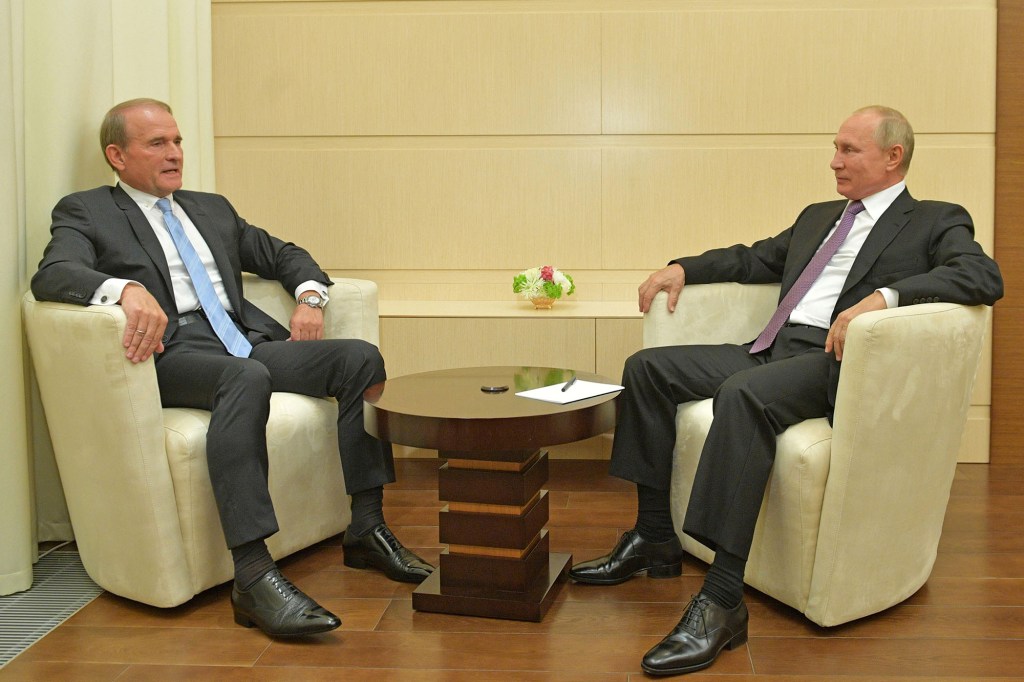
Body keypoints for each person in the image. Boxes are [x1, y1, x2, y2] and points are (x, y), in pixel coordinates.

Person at [568, 106, 1003, 676]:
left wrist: (886, 298)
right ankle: (654, 537)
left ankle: (722, 600)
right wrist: (684, 268)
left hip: (836, 361)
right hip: (772, 347)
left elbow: (982, 276)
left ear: (893, 157)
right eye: (836, 147)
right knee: (646, 368)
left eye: (849, 150)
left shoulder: (935, 220)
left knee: (744, 395)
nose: (834, 160)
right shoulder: (821, 216)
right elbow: (755, 258)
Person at [31, 98, 434, 638]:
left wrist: (310, 299)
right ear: (117, 155)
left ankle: (365, 526)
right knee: (246, 377)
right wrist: (124, 289)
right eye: (157, 144)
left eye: (177, 141)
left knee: (358, 357)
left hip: (243, 342)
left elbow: (283, 254)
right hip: (171, 354)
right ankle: (252, 574)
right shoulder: (88, 210)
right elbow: (54, 273)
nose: (175, 154)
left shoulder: (211, 207)